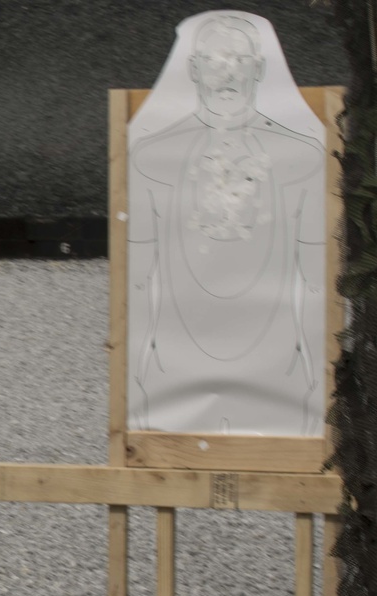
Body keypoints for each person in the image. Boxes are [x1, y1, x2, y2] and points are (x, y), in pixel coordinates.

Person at [129, 13, 325, 436]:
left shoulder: (303, 159)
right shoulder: (151, 159)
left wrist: (317, 379)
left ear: (260, 68)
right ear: (194, 69)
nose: (228, 73)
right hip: (173, 367)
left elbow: (314, 279)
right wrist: (137, 374)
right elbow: (139, 279)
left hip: (279, 367)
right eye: (215, 60)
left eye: (239, 59)